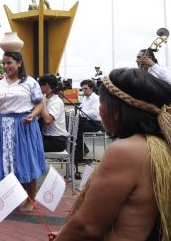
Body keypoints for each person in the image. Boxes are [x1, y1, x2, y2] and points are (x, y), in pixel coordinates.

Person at [48, 68, 171, 241]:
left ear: (116, 110)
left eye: (102, 104)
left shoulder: (126, 151)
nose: (100, 111)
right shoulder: (159, 143)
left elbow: (86, 227)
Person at [0, 51, 46, 212]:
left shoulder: (30, 82)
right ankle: (15, 196)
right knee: (9, 163)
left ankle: (31, 200)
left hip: (24, 125)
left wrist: (33, 115)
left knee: (26, 161)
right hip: (4, 126)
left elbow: (40, 104)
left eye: (9, 63)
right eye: (3, 63)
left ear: (19, 63)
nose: (5, 66)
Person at [38, 75, 69, 152]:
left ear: (47, 85)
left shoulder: (56, 101)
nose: (39, 88)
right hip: (48, 137)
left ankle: (39, 164)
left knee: (29, 146)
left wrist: (43, 103)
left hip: (57, 141)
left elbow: (47, 121)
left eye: (40, 85)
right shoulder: (48, 100)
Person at [77, 79, 103, 162]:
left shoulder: (96, 98)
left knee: (77, 129)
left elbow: (95, 113)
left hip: (95, 123)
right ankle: (82, 150)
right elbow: (80, 109)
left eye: (86, 88)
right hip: (86, 121)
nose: (84, 91)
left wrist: (80, 113)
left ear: (92, 88)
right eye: (82, 89)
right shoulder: (84, 99)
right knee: (72, 127)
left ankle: (80, 156)